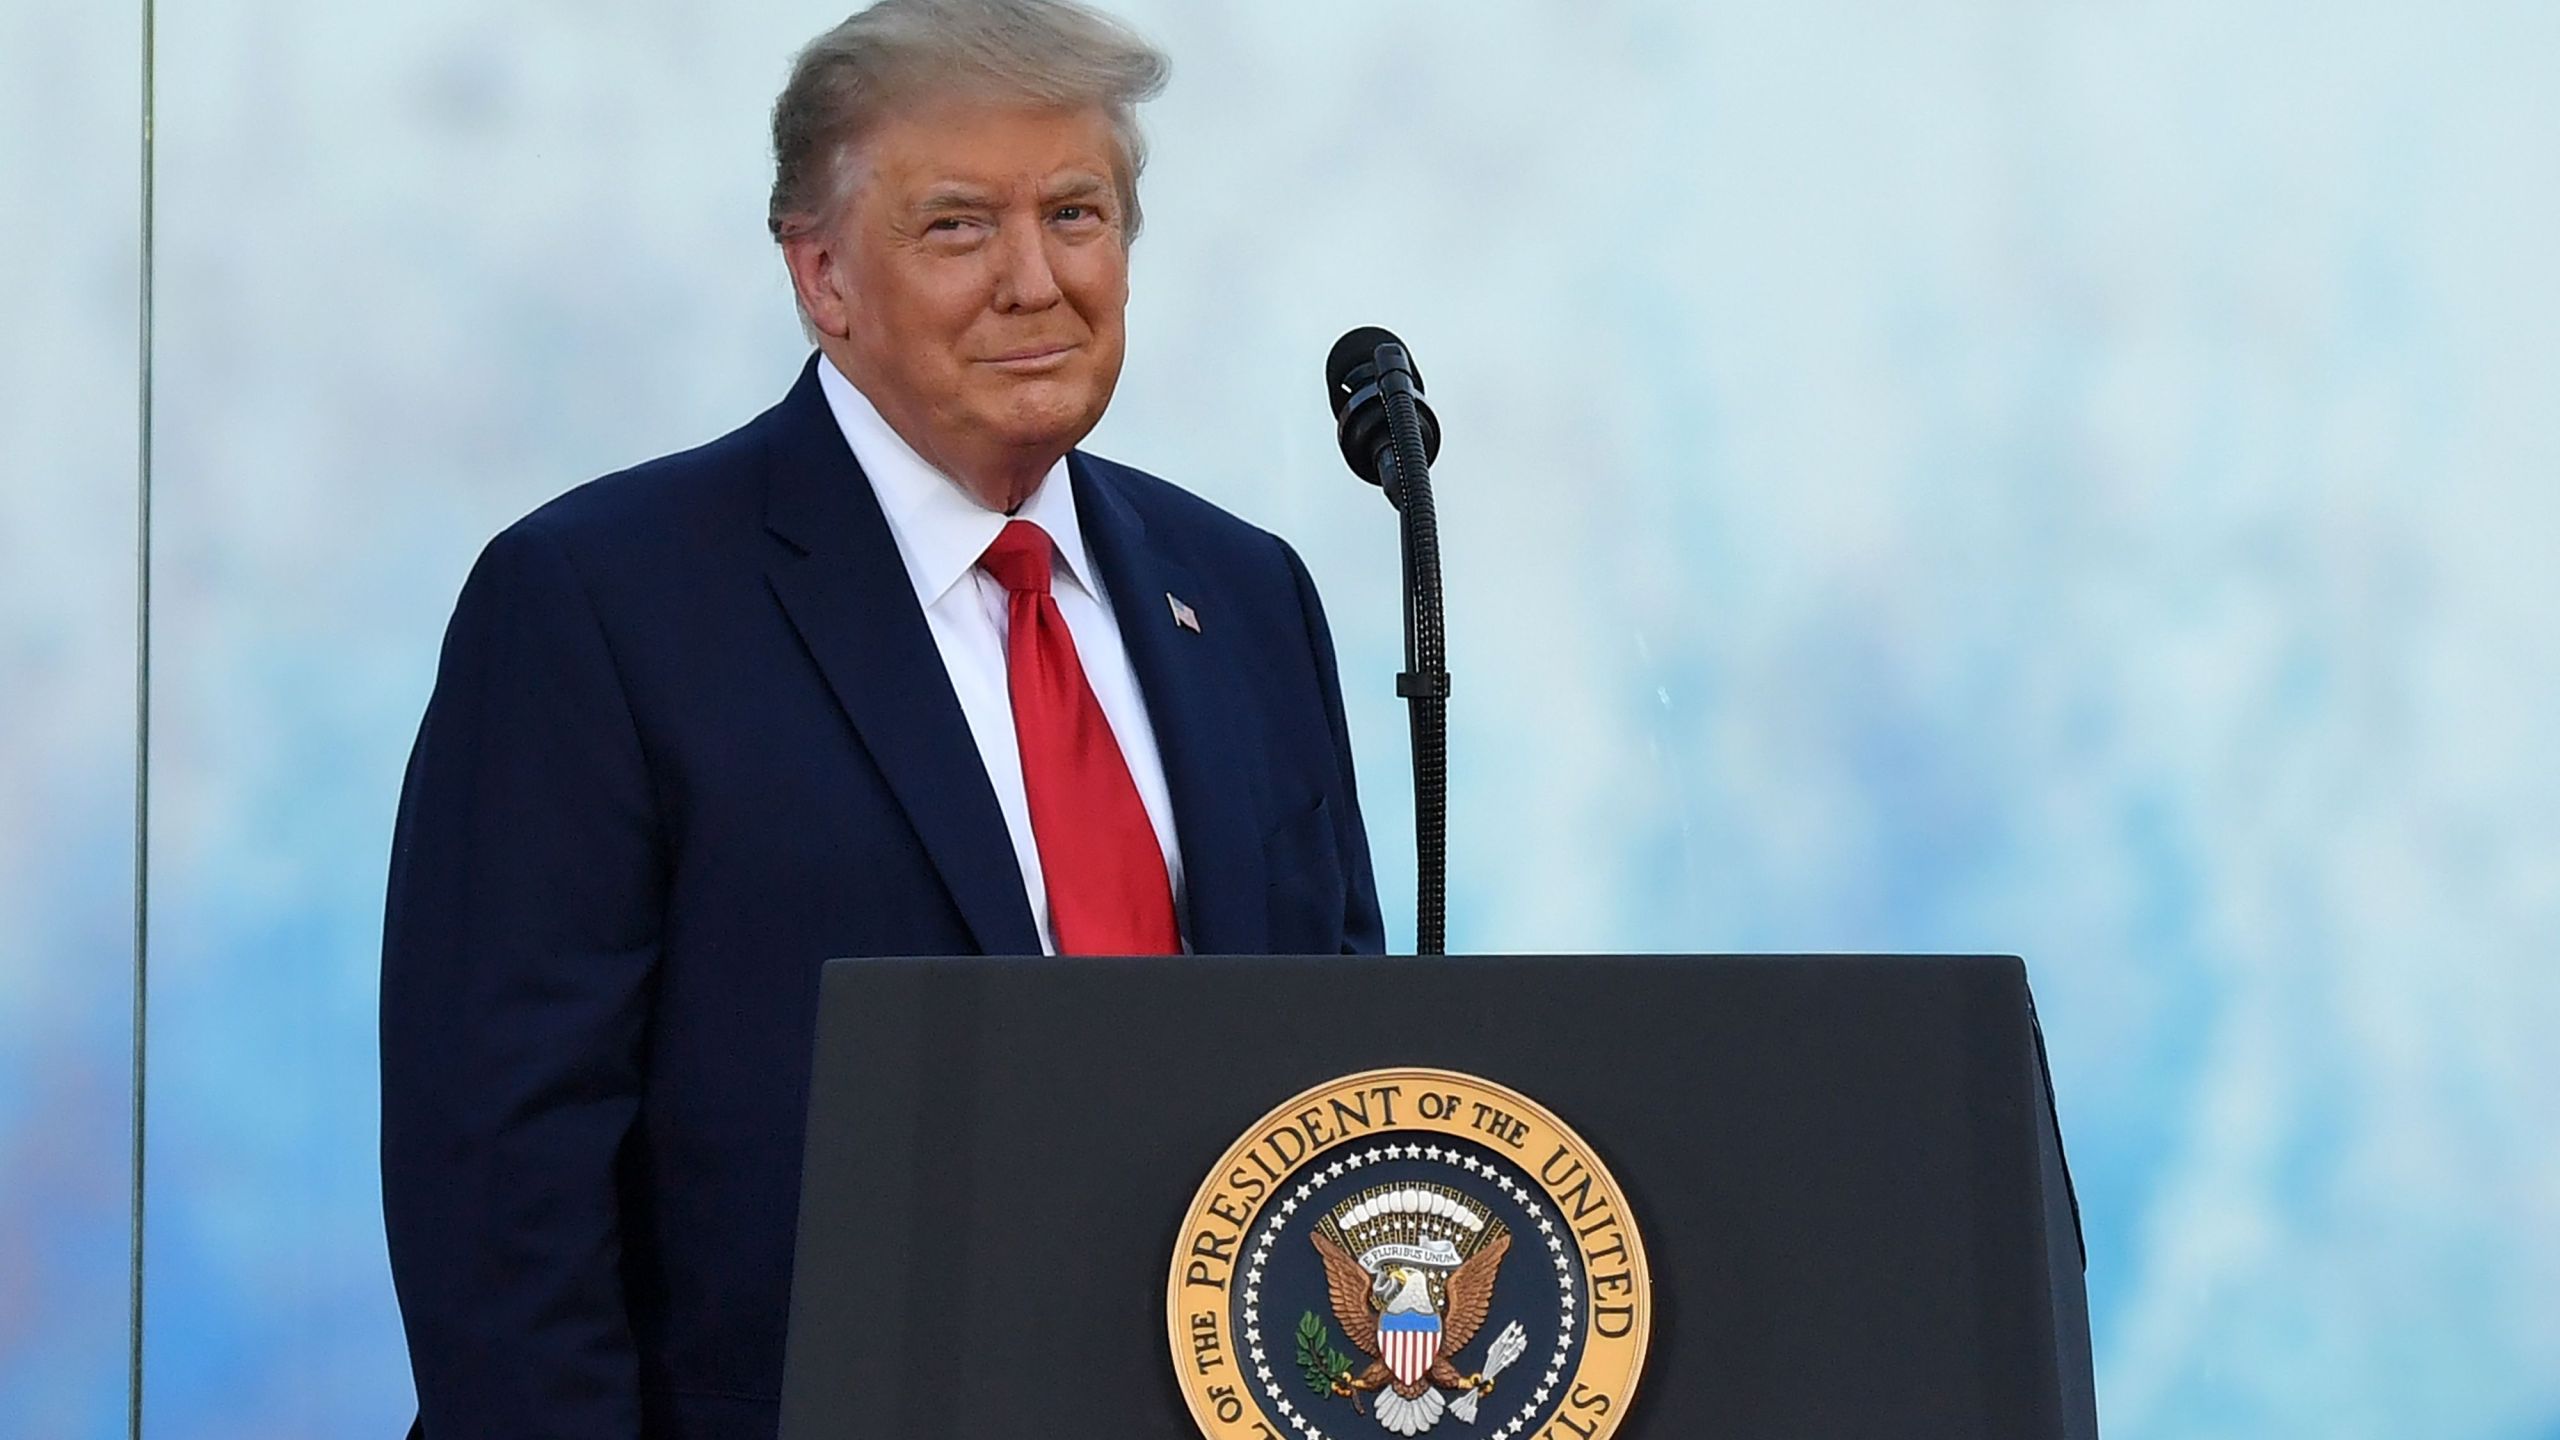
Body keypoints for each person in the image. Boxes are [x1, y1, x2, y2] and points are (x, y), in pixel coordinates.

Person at [377, 1, 1383, 1435]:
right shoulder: (597, 604)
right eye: (961, 228)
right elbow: (500, 1183)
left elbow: (1336, 1077)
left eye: (1078, 213)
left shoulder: (1249, 597)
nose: (1036, 282)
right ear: (824, 277)